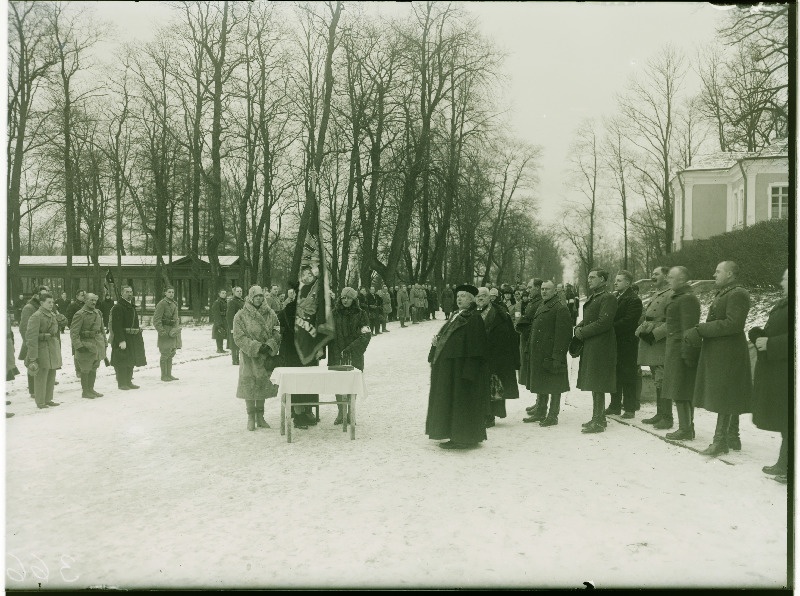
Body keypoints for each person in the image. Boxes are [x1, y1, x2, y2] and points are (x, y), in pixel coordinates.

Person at [685, 261, 752, 456]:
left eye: (718, 271)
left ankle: (720, 441)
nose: (714, 274)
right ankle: (732, 437)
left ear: (730, 274)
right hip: (723, 351)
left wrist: (701, 329)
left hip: (729, 353)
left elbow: (733, 324)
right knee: (728, 393)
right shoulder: (727, 292)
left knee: (725, 395)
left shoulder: (737, 293)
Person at [426, 284, 489, 449]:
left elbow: (477, 348)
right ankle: (456, 435)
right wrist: (436, 344)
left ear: (471, 299)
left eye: (463, 296)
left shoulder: (474, 318)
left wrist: (469, 372)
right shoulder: (456, 314)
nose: (459, 299)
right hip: (451, 368)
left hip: (461, 370)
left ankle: (463, 438)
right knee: (453, 402)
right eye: (458, 296)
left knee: (461, 403)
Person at [750, 269, 789, 483]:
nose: (781, 282)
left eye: (785, 278)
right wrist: (759, 335)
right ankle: (784, 464)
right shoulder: (785, 302)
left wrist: (771, 343)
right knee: (787, 419)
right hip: (778, 368)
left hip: (785, 368)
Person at [520, 281, 572, 426]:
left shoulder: (560, 308)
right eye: (542, 289)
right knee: (542, 382)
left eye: (547, 289)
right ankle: (540, 412)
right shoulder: (542, 305)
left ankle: (552, 415)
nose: (544, 292)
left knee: (555, 385)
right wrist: (528, 349)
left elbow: (564, 335)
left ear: (555, 291)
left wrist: (557, 356)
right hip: (539, 353)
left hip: (552, 354)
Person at [574, 269, 618, 434]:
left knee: (598, 382)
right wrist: (580, 325)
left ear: (602, 279)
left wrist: (582, 332)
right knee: (594, 381)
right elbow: (592, 318)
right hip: (593, 344)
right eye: (589, 277)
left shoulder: (608, 297)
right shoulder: (595, 297)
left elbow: (604, 322)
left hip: (602, 346)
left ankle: (599, 420)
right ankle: (597, 417)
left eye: (592, 278)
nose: (589, 280)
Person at [232, 285, 281, 432]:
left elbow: (277, 331)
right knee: (249, 384)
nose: (259, 298)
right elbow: (238, 337)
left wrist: (270, 344)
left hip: (265, 356)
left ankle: (260, 417)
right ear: (250, 297)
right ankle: (250, 417)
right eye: (256, 296)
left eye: (261, 296)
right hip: (249, 356)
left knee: (262, 384)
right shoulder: (241, 315)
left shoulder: (271, 314)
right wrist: (256, 347)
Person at [661, 266, 701, 442]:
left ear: (682, 279)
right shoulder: (679, 296)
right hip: (674, 348)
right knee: (678, 389)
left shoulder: (687, 299)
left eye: (671, 277)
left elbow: (689, 329)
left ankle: (686, 429)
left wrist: (687, 354)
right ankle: (685, 427)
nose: (667, 280)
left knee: (681, 390)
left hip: (681, 350)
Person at [475, 287, 520, 427]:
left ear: (490, 298)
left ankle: (490, 416)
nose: (480, 298)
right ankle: (481, 414)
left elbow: (510, 337)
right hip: (479, 356)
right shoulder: (473, 313)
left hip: (496, 356)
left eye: (483, 296)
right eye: (478, 296)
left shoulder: (500, 314)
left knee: (494, 386)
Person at [278, 281, 320, 429]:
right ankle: (297, 414)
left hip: (308, 352)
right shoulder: (290, 308)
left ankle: (305, 411)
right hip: (293, 352)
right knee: (295, 383)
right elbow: (289, 327)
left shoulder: (313, 308)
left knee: (307, 382)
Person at [635, 267, 674, 428]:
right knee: (656, 377)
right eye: (652, 274)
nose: (653, 276)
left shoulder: (671, 294)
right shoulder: (657, 293)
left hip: (660, 342)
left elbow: (672, 321)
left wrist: (655, 334)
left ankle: (667, 417)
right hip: (651, 341)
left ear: (666, 276)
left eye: (656, 274)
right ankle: (659, 414)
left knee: (662, 379)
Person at [328, 287, 372, 424]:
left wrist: (350, 349)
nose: (345, 300)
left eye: (348, 298)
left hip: (354, 355)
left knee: (352, 384)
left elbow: (366, 335)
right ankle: (341, 413)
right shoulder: (333, 314)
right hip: (336, 354)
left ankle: (351, 412)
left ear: (354, 299)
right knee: (338, 385)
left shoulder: (361, 314)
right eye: (343, 298)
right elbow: (327, 334)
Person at [607, 270, 643, 418]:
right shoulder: (615, 297)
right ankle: (614, 405)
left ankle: (629, 408)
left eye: (619, 280)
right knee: (615, 374)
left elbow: (629, 322)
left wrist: (609, 327)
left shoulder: (633, 299)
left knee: (628, 375)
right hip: (615, 342)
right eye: (615, 280)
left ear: (628, 283)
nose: (615, 282)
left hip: (628, 344)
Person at [24, 292, 62, 409]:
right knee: (41, 375)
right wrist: (33, 357)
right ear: (41, 303)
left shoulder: (51, 314)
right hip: (41, 350)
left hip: (51, 349)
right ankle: (40, 402)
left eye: (52, 302)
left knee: (51, 373)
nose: (51, 304)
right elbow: (31, 337)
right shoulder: (36, 316)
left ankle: (48, 399)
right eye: (49, 302)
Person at [69, 292, 107, 398]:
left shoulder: (98, 312)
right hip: (86, 344)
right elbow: (74, 332)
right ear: (85, 300)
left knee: (94, 367)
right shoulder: (80, 314)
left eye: (95, 300)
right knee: (85, 368)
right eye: (91, 300)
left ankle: (91, 389)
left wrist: (105, 342)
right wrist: (78, 346)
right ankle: (85, 392)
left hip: (97, 344)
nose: (94, 302)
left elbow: (102, 329)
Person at [110, 285, 147, 390]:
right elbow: (116, 326)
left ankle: (128, 381)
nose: (130, 294)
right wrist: (121, 340)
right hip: (123, 338)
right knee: (122, 360)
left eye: (131, 292)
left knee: (131, 359)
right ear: (122, 293)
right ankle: (122, 383)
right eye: (127, 292)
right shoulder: (118, 307)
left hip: (132, 338)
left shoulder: (131, 306)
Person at [518, 279, 544, 419]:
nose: (528, 290)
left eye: (530, 287)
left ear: (538, 288)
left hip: (532, 340)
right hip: (527, 339)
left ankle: (541, 404)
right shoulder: (533, 301)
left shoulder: (539, 302)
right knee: (532, 372)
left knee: (536, 372)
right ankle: (538, 401)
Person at [18, 287, 47, 400]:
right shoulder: (29, 308)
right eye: (43, 294)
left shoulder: (43, 306)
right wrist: (29, 343)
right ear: (35, 295)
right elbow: (23, 328)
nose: (45, 296)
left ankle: (40, 388)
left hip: (42, 341)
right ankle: (33, 390)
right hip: (32, 342)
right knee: (32, 364)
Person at [153, 286, 181, 382]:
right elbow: (156, 320)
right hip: (165, 331)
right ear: (165, 293)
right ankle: (163, 375)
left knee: (171, 353)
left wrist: (176, 330)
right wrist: (162, 332)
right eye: (169, 292)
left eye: (173, 292)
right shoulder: (162, 304)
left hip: (173, 331)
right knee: (165, 353)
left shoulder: (174, 304)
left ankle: (169, 374)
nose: (171, 294)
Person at [226, 286, 245, 365]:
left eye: (241, 291)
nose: (240, 293)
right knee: (234, 344)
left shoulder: (242, 301)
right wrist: (232, 328)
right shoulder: (232, 302)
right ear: (234, 292)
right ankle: (235, 360)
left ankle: (241, 359)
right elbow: (229, 316)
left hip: (242, 325)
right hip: (235, 325)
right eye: (238, 291)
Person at [210, 289, 228, 353]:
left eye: (225, 293)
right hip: (219, 320)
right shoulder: (217, 302)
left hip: (224, 320)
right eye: (222, 293)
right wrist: (219, 323)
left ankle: (221, 348)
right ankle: (219, 348)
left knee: (222, 334)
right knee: (219, 335)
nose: (224, 294)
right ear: (219, 294)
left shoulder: (225, 302)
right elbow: (216, 313)